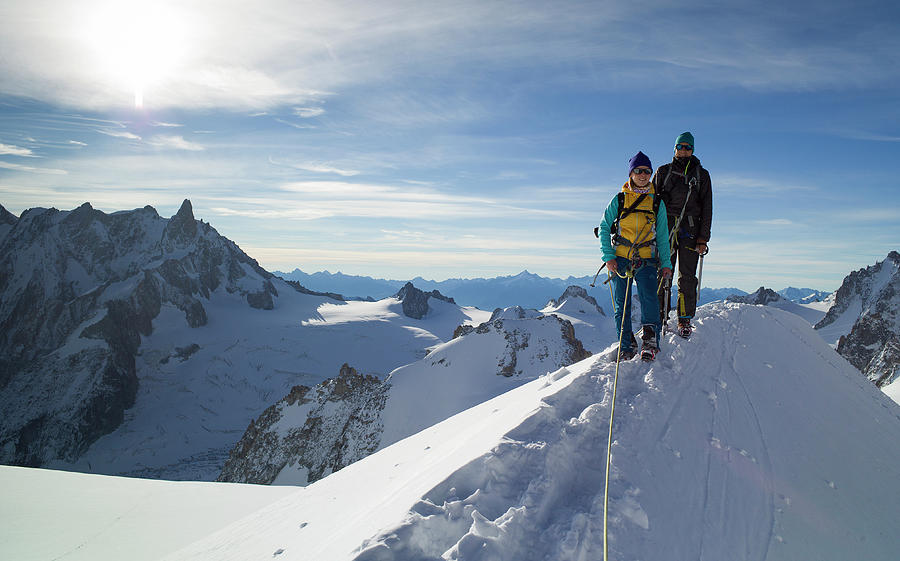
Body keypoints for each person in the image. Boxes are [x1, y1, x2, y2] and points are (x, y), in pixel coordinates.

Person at [598, 151, 673, 361]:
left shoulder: (656, 203)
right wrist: (608, 256)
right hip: (620, 258)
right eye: (638, 171)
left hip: (647, 257)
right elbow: (604, 227)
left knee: (650, 299)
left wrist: (666, 262)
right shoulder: (619, 199)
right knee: (622, 303)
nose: (643, 175)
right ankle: (626, 343)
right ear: (631, 173)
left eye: (647, 171)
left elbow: (663, 236)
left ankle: (649, 340)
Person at [653, 132, 713, 338]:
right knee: (663, 272)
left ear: (693, 150)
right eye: (681, 146)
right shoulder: (663, 172)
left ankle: (684, 319)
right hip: (665, 229)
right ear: (675, 148)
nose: (684, 150)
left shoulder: (702, 175)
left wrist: (703, 238)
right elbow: (651, 203)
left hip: (691, 230)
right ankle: (659, 316)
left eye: (688, 147)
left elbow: (707, 207)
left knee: (687, 276)